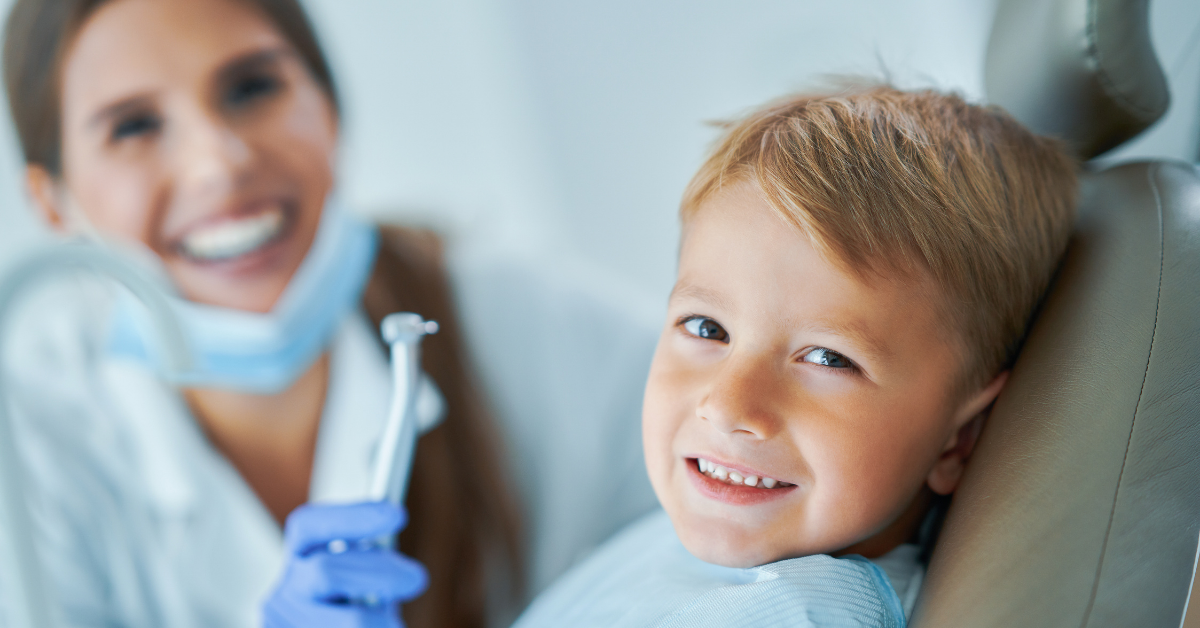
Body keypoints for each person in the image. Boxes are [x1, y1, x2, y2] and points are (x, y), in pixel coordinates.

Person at [0, 0, 525, 626]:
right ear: (51, 202)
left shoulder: (513, 318)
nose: (219, 164)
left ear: (329, 108)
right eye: (134, 127)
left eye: (251, 87)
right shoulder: (29, 454)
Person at [512, 85, 1079, 626]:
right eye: (707, 327)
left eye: (829, 359)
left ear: (959, 438)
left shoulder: (799, 614)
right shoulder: (681, 537)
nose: (729, 406)